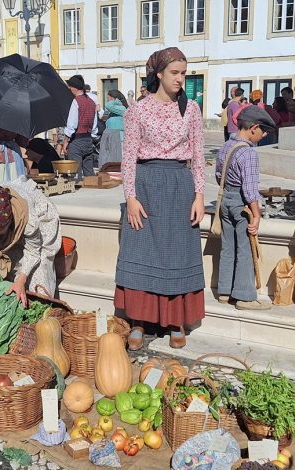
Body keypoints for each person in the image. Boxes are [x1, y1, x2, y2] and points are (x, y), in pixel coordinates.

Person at [116, 47, 206, 350]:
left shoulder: (191, 109)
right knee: (142, 252)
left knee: (178, 252)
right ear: (159, 74)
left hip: (180, 186)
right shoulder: (137, 110)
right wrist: (130, 197)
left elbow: (198, 154)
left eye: (184, 73)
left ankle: (176, 321)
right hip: (146, 185)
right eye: (174, 73)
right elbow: (128, 157)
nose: (181, 79)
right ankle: (139, 321)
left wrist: (199, 195)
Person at [0, 182, 61, 311]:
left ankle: (38, 309)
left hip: (34, 224)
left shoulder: (28, 218)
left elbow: (33, 250)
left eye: (0, 235)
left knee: (39, 264)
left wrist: (21, 280)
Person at [216, 106, 276, 311]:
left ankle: (224, 291)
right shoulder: (248, 153)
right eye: (264, 131)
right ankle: (244, 297)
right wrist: (256, 215)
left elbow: (218, 176)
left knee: (228, 246)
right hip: (242, 204)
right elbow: (250, 190)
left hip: (226, 200)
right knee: (246, 250)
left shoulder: (226, 145)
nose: (264, 135)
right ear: (254, 128)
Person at [61, 75, 98, 181]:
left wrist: (65, 141)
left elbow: (72, 124)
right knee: (89, 174)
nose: (69, 88)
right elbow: (94, 125)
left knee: (75, 175)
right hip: (88, 139)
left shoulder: (76, 101)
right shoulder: (91, 102)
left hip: (77, 140)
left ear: (75, 88)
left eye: (70, 86)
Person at [99, 89, 128, 166]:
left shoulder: (122, 109)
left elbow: (108, 105)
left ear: (114, 98)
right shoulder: (113, 110)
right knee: (110, 158)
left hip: (119, 137)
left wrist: (117, 101)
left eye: (108, 98)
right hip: (111, 136)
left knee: (117, 159)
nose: (107, 100)